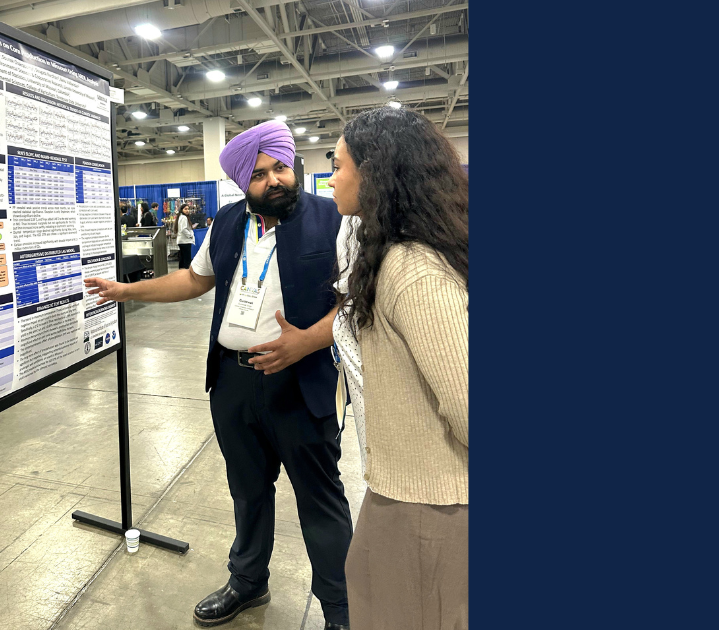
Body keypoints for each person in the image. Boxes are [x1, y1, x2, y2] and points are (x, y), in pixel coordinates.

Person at [84, 120, 351, 630]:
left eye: (280, 168)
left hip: (303, 381)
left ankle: (340, 610)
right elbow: (193, 279)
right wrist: (126, 292)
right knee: (248, 489)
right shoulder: (228, 223)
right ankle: (248, 583)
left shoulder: (334, 219)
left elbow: (356, 302)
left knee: (320, 497)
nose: (274, 180)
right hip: (232, 382)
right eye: (259, 174)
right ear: (240, 183)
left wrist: (304, 342)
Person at [328, 107, 469, 630]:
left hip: (430, 505)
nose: (333, 174)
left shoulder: (411, 269)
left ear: (375, 173)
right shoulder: (386, 252)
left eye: (339, 163)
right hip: (402, 489)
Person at [176, 203, 195, 269]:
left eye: (188, 209)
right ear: (182, 210)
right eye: (185, 209)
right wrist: (190, 236)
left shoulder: (181, 217)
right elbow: (183, 229)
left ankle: (181, 274)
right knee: (186, 260)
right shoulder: (183, 218)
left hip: (182, 241)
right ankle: (185, 274)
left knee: (182, 259)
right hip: (185, 241)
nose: (187, 210)